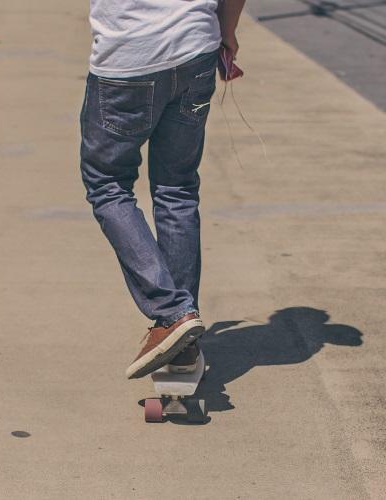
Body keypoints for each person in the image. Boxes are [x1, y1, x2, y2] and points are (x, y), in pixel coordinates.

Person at [80, 0, 247, 379]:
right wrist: (228, 31)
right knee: (177, 189)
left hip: (127, 60)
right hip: (196, 52)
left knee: (108, 184)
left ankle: (173, 314)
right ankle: (183, 341)